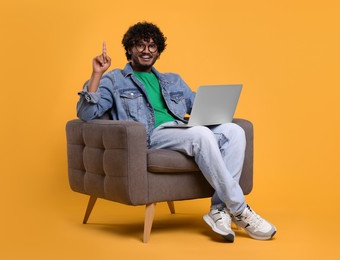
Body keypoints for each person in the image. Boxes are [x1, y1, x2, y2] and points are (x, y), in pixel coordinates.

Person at [76, 21, 277, 242]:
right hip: (153, 135)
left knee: (234, 131)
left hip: (180, 129)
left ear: (158, 51)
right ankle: (239, 209)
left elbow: (196, 105)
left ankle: (219, 210)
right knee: (201, 135)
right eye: (140, 45)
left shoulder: (172, 80)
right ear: (130, 49)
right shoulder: (114, 79)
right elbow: (87, 113)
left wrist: (216, 107)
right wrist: (96, 74)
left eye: (152, 46)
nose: (146, 50)